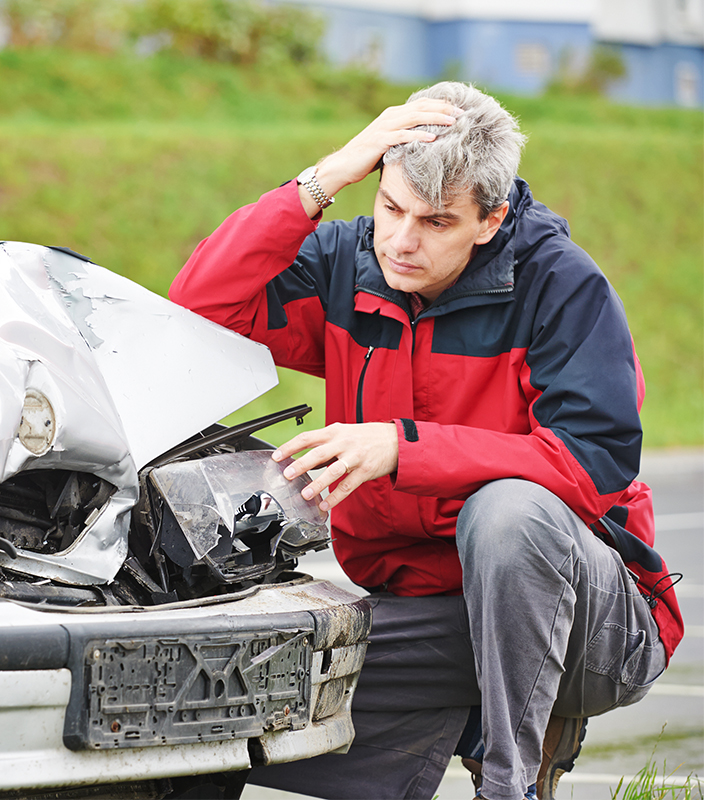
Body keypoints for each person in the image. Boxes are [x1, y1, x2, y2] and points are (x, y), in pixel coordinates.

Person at [169, 82, 683, 800]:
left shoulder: (561, 286)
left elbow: (592, 467)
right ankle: (466, 722)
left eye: (436, 221)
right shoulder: (350, 263)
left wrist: (401, 447)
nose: (403, 241)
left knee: (508, 513)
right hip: (429, 620)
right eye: (390, 208)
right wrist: (327, 176)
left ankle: (508, 785)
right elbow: (200, 307)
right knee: (228, 700)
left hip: (592, 632)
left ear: (489, 217)